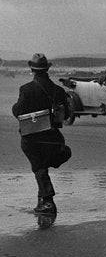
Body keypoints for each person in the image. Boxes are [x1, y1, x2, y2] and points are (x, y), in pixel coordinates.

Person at [11, 54, 73, 227]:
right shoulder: (58, 90)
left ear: (32, 69)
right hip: (54, 139)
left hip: (32, 138)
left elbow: (17, 111)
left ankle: (47, 202)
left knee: (39, 167)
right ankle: (42, 200)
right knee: (44, 165)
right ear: (47, 69)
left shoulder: (26, 89)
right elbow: (67, 115)